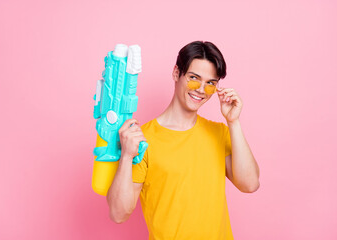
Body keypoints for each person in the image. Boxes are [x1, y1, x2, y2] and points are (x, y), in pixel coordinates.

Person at [106, 41, 260, 239]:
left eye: (211, 83)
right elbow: (118, 214)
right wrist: (127, 156)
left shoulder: (219, 132)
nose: (201, 90)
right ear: (176, 73)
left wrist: (234, 121)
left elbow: (250, 184)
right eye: (194, 78)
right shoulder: (142, 140)